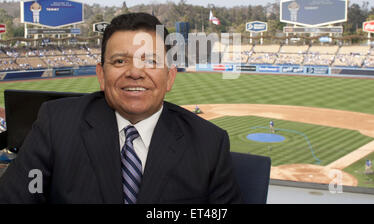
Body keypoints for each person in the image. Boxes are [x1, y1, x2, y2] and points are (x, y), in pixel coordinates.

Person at [0, 12, 242, 204]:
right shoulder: (57, 124)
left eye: (150, 61)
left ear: (169, 77)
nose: (135, 73)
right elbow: (16, 196)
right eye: (120, 61)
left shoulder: (209, 142)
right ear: (101, 75)